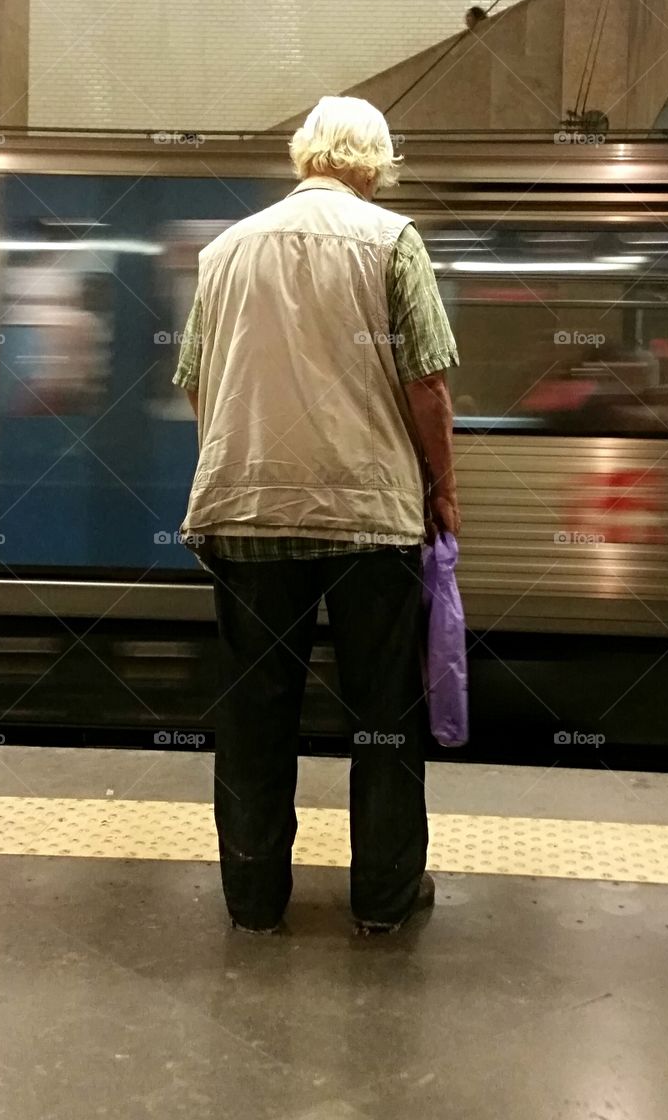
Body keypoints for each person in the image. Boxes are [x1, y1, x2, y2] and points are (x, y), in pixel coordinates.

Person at [173, 95, 460, 935]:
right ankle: (383, 899)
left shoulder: (223, 251)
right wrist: (441, 490)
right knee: (382, 714)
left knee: (255, 713)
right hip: (371, 516)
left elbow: (195, 377)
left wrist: (237, 465)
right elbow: (428, 383)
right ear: (372, 165)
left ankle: (255, 903)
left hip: (249, 511)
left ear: (305, 158)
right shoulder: (392, 241)